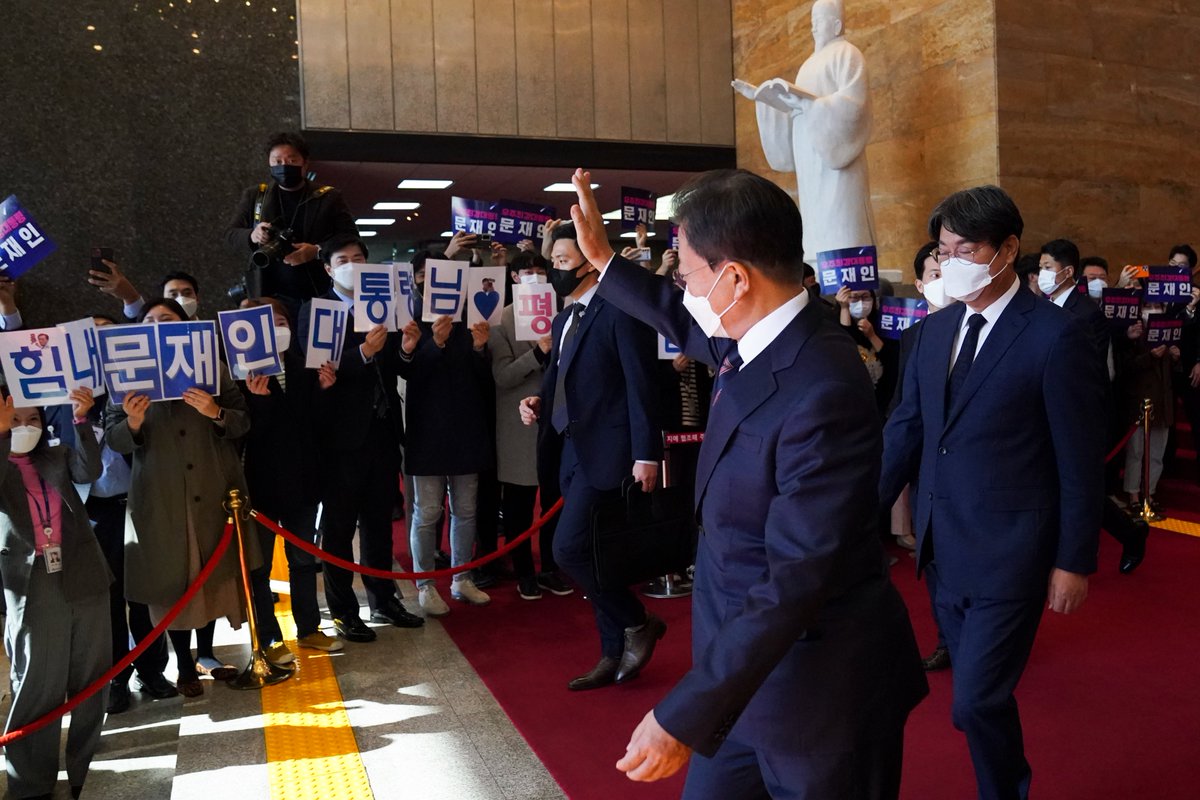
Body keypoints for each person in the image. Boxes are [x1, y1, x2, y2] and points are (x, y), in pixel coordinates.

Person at [564, 167, 927, 796]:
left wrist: (684, 712)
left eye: (690, 276)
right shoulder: (762, 336)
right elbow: (679, 322)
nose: (684, 289)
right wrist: (604, 262)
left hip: (817, 691)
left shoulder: (822, 386)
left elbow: (795, 577)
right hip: (739, 679)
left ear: (735, 277)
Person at [880, 185, 1104, 800]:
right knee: (970, 698)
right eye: (944, 249)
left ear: (1008, 249)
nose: (952, 263)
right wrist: (852, 518)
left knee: (976, 701)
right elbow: (904, 433)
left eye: (967, 249)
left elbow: (1079, 462)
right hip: (941, 547)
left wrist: (1073, 560)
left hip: (1014, 553)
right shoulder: (930, 334)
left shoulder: (1054, 338)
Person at [518, 221, 665, 692]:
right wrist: (538, 402)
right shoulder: (564, 319)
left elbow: (643, 385)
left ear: (588, 260)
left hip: (610, 450)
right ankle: (612, 650)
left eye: (563, 262)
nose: (556, 270)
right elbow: (560, 381)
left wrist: (647, 453)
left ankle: (638, 619)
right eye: (553, 263)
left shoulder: (620, 311)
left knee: (568, 548)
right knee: (595, 557)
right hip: (567, 448)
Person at [106, 298, 257, 697]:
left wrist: (215, 412)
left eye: (167, 319)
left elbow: (242, 420)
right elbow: (113, 432)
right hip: (160, 494)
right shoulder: (125, 373)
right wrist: (133, 422)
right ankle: (184, 664)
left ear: (184, 323)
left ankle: (207, 654)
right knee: (171, 580)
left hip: (212, 487)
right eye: (150, 321)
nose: (158, 326)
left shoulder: (213, 367)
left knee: (208, 571)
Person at [297, 235, 424, 642]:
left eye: (358, 258)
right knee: (338, 528)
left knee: (379, 524)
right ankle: (343, 611)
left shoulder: (385, 306)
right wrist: (364, 353)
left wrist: (404, 349)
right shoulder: (317, 311)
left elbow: (400, 371)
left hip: (384, 434)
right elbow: (313, 370)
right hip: (339, 439)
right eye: (343, 260)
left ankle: (384, 599)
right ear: (329, 269)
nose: (351, 264)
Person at [1, 389, 110, 800]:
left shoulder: (55, 455)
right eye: (14, 420)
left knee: (91, 676)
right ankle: (30, 783)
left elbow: (89, 470)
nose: (23, 427)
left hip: (82, 571)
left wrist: (81, 420)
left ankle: (86, 767)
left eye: (31, 419)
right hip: (32, 584)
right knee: (37, 682)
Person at [732, 0, 875, 266]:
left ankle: (848, 265)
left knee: (840, 209)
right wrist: (763, 98)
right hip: (808, 149)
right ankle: (815, 261)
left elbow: (855, 105)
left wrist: (812, 106)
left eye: (819, 21)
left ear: (836, 24)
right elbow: (794, 106)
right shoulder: (808, 64)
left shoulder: (848, 54)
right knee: (814, 209)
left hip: (835, 147)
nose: (813, 28)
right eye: (811, 22)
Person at [240, 297, 344, 662]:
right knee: (260, 567)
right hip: (261, 485)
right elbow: (246, 431)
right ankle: (268, 637)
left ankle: (310, 628)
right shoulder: (240, 373)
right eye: (264, 322)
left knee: (303, 560)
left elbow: (318, 425)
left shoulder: (305, 363)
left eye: (280, 320)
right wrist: (262, 401)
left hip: (303, 481)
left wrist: (327, 391)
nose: (274, 329)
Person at [397, 293, 495, 616]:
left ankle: (461, 577)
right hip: (427, 434)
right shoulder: (414, 322)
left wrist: (480, 348)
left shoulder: (470, 321)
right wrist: (433, 344)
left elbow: (484, 380)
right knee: (426, 511)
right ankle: (425, 585)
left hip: (467, 430)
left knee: (466, 509)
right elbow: (408, 371)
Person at [489, 252, 571, 600]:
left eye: (541, 272)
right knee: (519, 505)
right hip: (516, 425)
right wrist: (537, 352)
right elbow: (503, 375)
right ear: (515, 279)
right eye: (527, 273)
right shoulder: (501, 320)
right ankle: (524, 570)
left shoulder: (563, 314)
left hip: (556, 421)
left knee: (554, 499)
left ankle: (551, 566)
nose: (535, 277)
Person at [224, 131, 358, 311]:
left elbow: (350, 237)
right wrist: (253, 235)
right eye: (277, 161)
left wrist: (317, 251)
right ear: (269, 163)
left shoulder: (328, 197)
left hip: (318, 290)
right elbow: (230, 235)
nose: (284, 166)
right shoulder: (256, 196)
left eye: (292, 160)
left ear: (305, 163)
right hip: (268, 293)